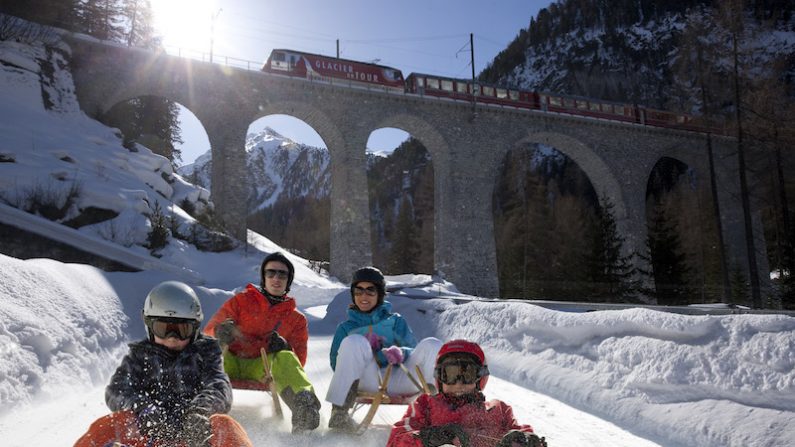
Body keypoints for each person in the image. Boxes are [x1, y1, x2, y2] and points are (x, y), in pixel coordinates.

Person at [75, 281, 253, 447]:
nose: (172, 338)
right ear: (150, 327)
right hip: (148, 435)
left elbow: (218, 385)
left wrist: (199, 411)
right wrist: (143, 409)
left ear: (195, 328)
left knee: (225, 424)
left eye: (181, 330)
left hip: (194, 437)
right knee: (112, 423)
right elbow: (117, 389)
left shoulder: (205, 352)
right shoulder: (140, 355)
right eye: (163, 329)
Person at [203, 251, 321, 433]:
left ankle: (304, 408)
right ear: (263, 277)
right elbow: (207, 334)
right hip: (229, 361)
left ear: (288, 281)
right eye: (271, 272)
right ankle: (197, 414)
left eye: (282, 274)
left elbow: (298, 362)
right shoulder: (241, 301)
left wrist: (284, 346)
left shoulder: (296, 319)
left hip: (263, 368)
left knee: (285, 356)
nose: (276, 278)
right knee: (210, 351)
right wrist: (219, 331)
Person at [326, 266, 442, 431]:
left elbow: (414, 350)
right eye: (358, 291)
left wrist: (401, 352)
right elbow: (336, 365)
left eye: (370, 291)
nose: (363, 296)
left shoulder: (395, 321)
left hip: (400, 379)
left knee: (432, 344)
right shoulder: (346, 328)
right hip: (368, 381)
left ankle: (438, 408)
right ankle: (339, 412)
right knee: (354, 342)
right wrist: (363, 352)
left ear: (380, 294)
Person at [386, 339, 547, 447]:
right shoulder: (425, 405)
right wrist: (430, 437)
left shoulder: (498, 410)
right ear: (439, 377)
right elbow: (397, 439)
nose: (458, 382)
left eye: (467, 374)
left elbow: (520, 431)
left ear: (480, 378)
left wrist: (524, 440)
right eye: (450, 374)